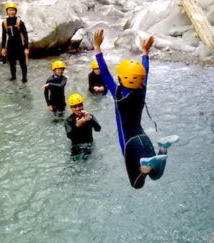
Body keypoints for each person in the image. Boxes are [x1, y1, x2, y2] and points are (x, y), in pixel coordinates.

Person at [93, 29, 179, 189]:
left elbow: (104, 73)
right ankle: (162, 148)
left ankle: (146, 166)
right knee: (156, 175)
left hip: (129, 142)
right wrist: (145, 52)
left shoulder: (118, 93)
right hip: (142, 136)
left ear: (121, 77)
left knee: (137, 183)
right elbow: (145, 71)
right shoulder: (142, 88)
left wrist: (97, 48)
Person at [64, 93, 101, 159]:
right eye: (75, 107)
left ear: (82, 105)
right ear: (71, 108)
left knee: (87, 160)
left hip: (89, 144)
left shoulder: (89, 116)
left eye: (79, 105)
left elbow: (98, 129)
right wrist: (77, 126)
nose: (78, 108)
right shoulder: (68, 120)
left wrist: (91, 120)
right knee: (73, 163)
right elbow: (69, 136)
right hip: (76, 145)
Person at [0, 2, 30, 83]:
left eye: (13, 10)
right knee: (12, 63)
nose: (11, 12)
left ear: (15, 11)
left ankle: (24, 77)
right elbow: (4, 36)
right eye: (9, 10)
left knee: (22, 63)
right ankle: (13, 76)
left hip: (20, 45)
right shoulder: (5, 22)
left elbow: (25, 34)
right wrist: (3, 48)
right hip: (10, 45)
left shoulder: (19, 21)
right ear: (7, 11)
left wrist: (26, 47)